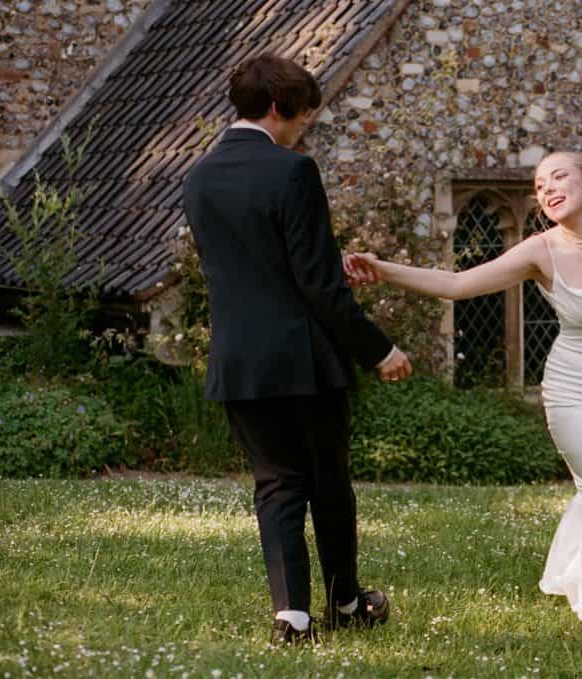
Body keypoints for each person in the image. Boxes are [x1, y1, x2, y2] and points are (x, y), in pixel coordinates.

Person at [345, 151, 582, 637]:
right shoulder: (540, 251)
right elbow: (456, 283)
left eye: (559, 177)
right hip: (578, 400)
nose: (547, 189)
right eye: (538, 185)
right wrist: (382, 269)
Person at [182, 53, 412, 645]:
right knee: (329, 481)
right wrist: (378, 349)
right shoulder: (292, 172)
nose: (302, 129)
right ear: (280, 109)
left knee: (277, 483)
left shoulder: (198, 175)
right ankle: (345, 601)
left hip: (240, 359)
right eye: (303, 118)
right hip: (304, 361)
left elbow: (249, 265)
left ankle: (293, 616)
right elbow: (316, 285)